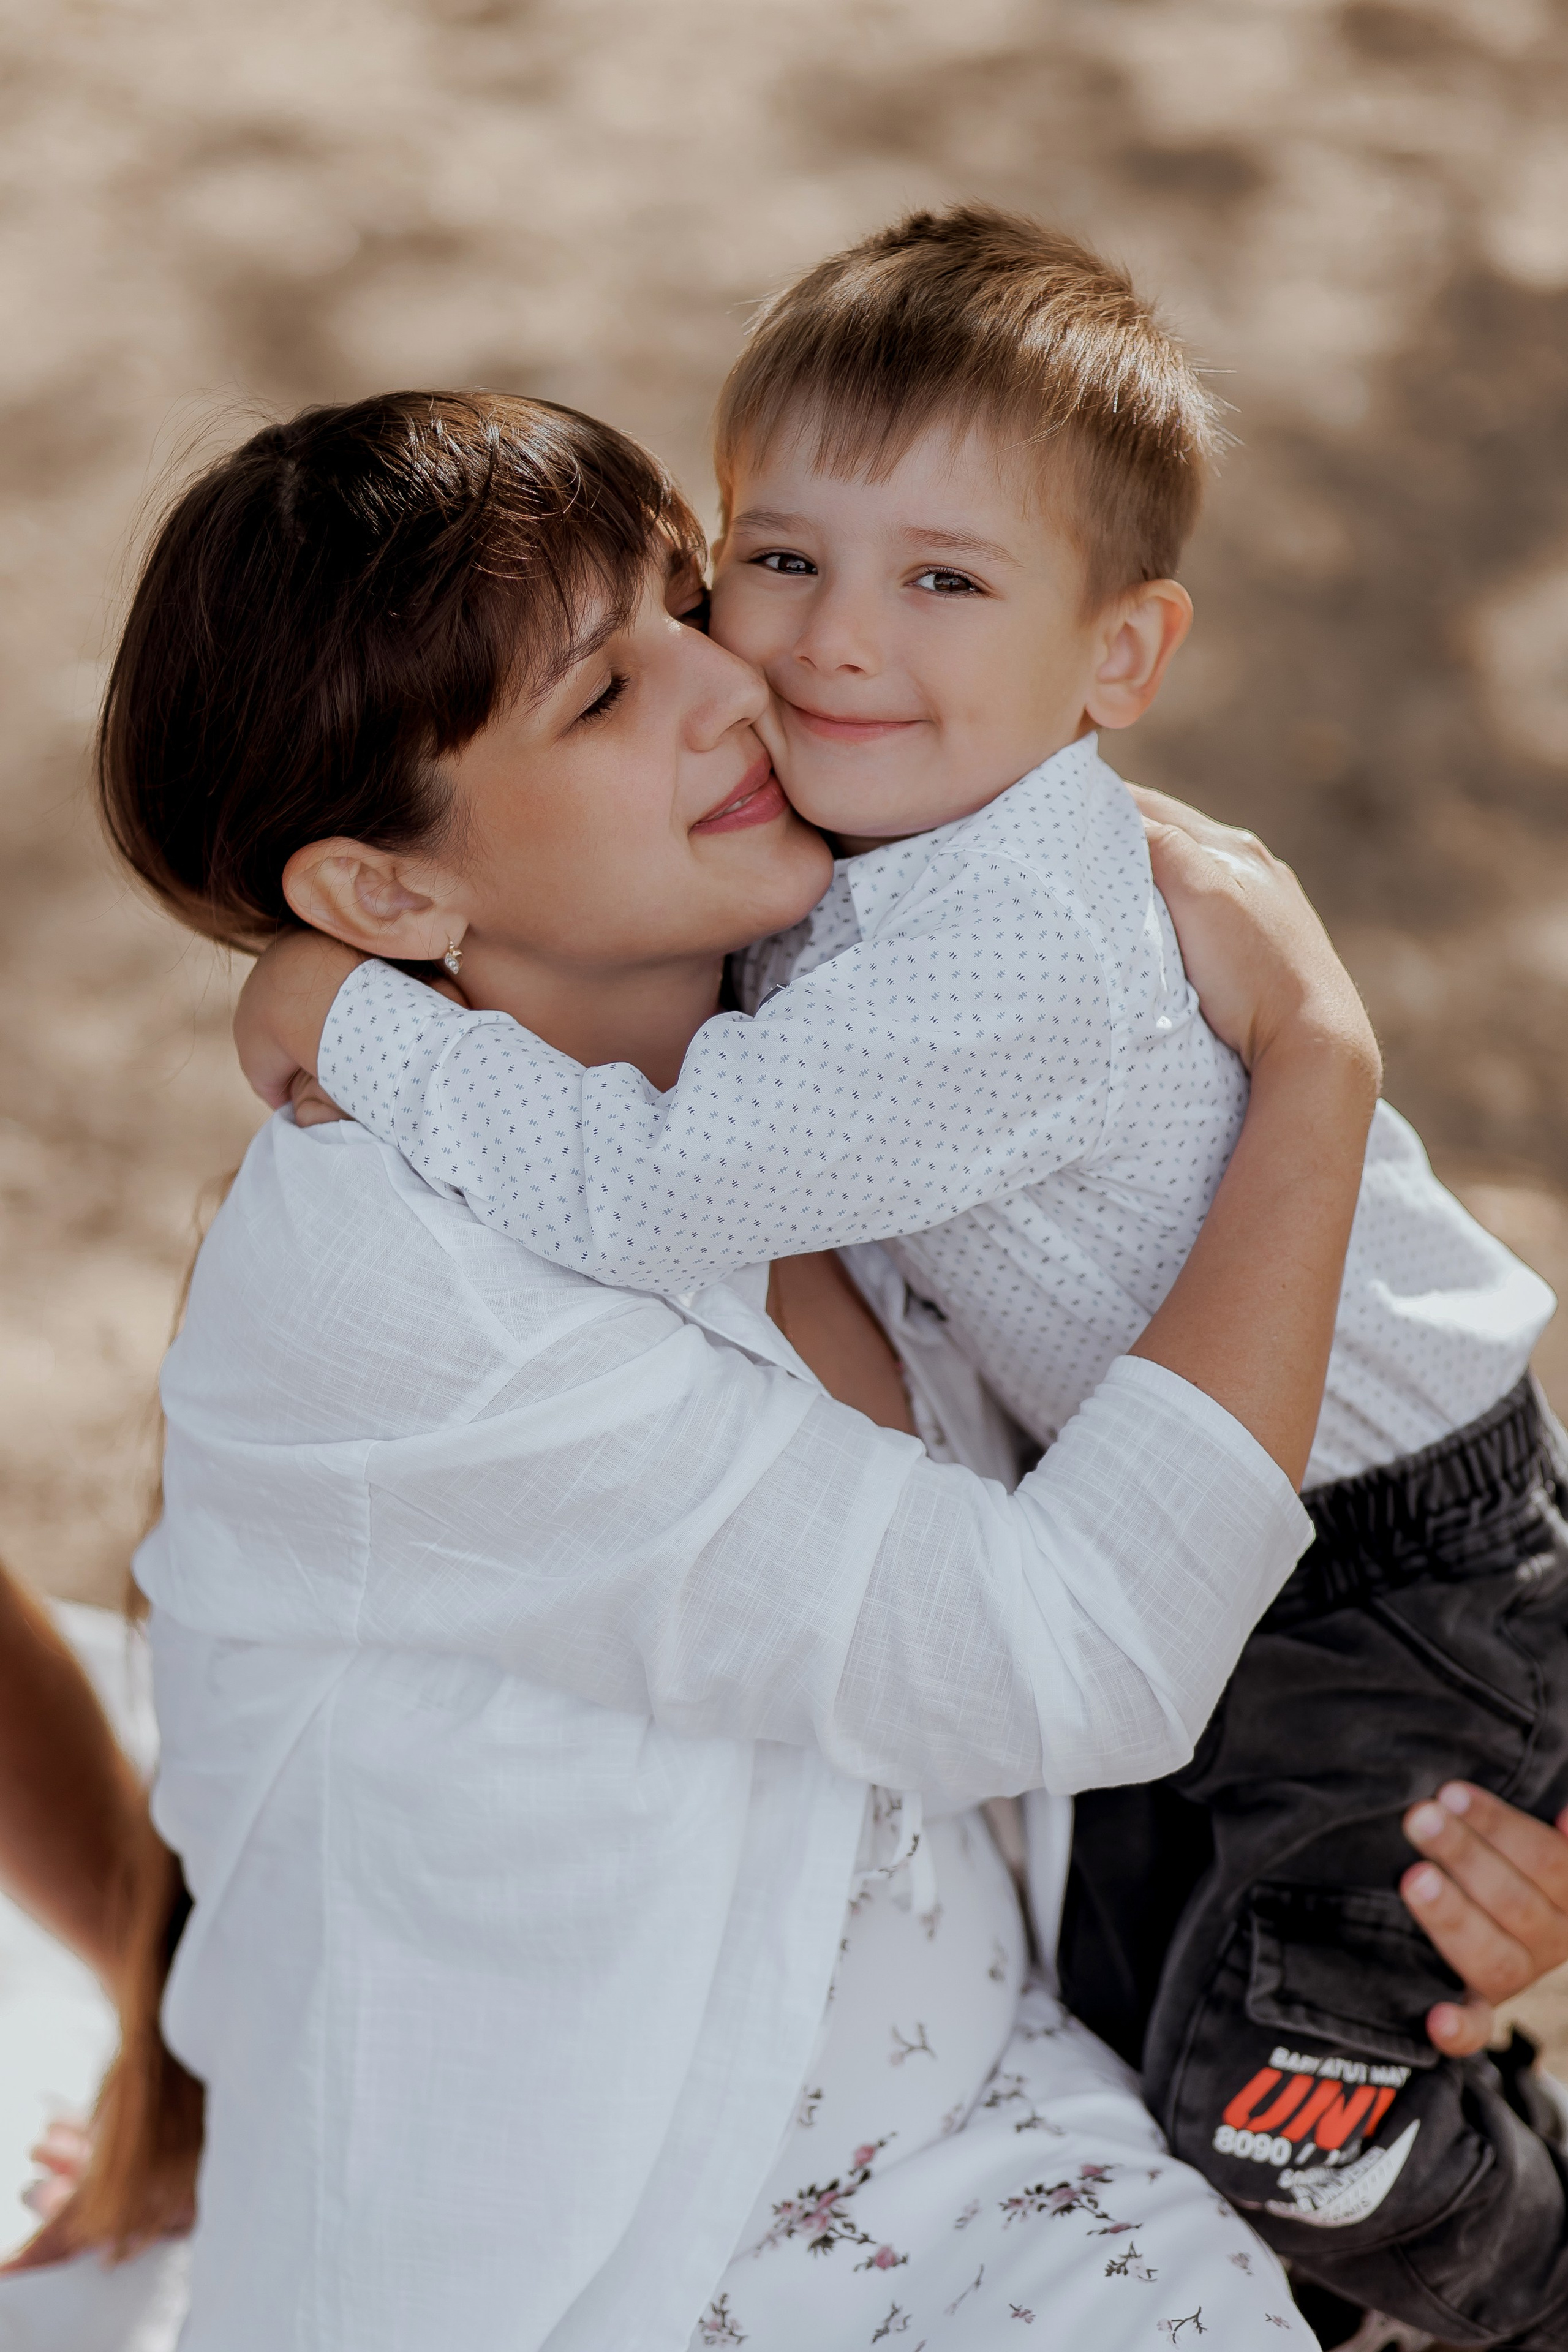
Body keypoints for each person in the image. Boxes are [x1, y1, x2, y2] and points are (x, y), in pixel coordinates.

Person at [238, 209, 1568, 2340]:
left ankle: (1519, 2269)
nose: (807, 652)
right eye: (770, 562)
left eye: (942, 582)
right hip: (1214, 1537)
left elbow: (651, 1178)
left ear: (1119, 661)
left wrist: (354, 1008)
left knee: (1272, 2104)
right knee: (1209, 2022)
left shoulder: (1010, 951)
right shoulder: (861, 857)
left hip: (1377, 1557)